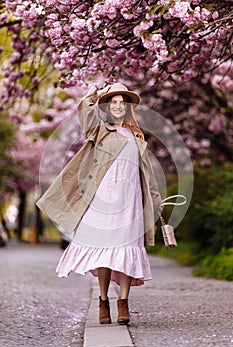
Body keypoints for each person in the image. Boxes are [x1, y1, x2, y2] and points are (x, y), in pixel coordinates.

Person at [36, 83, 162, 325]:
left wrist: (155, 201)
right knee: (104, 254)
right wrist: (95, 92)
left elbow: (146, 173)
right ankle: (103, 300)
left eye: (121, 102)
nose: (117, 106)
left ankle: (123, 303)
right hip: (103, 200)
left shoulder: (137, 137)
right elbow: (85, 109)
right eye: (112, 102)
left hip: (131, 202)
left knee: (126, 251)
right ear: (107, 106)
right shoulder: (100, 130)